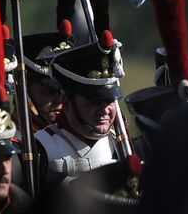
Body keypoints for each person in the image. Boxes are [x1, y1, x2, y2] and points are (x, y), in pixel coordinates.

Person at [32, 40, 123, 188]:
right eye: (94, 102)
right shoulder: (40, 147)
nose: (105, 110)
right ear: (67, 103)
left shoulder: (121, 144)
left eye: (109, 101)